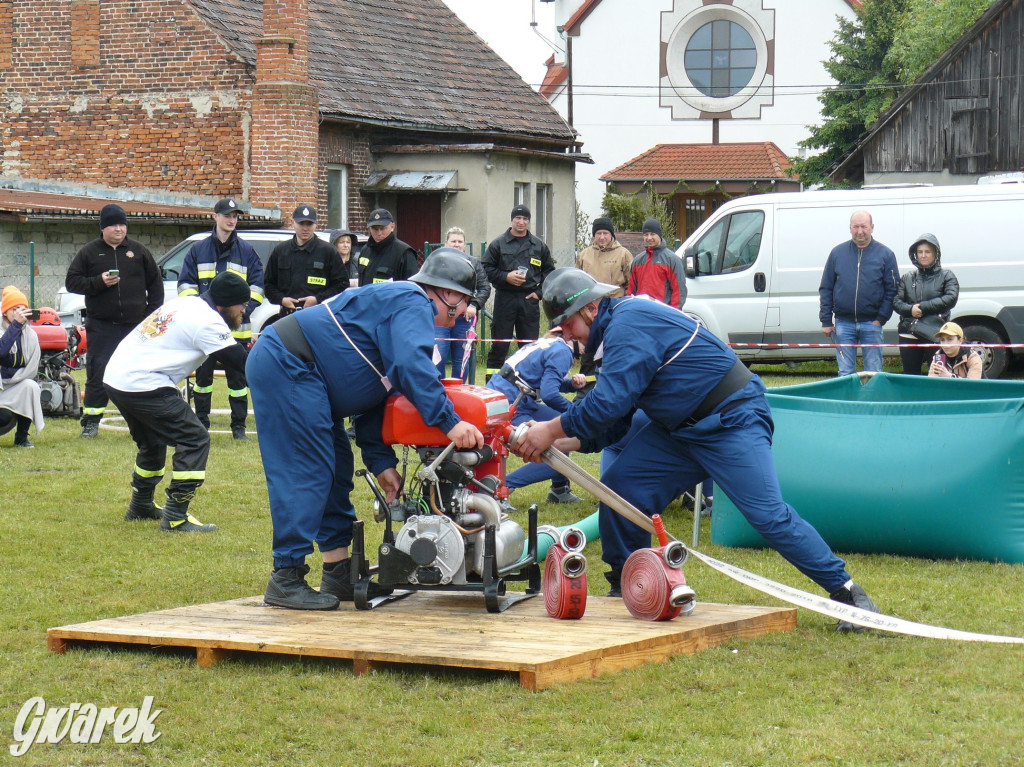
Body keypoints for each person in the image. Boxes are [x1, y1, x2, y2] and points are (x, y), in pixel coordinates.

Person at [511, 268, 881, 632]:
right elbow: (616, 420)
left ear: (589, 309)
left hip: (731, 418)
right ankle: (632, 585)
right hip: (679, 430)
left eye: (567, 324)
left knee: (768, 515)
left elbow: (607, 404)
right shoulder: (614, 334)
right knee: (620, 490)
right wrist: (558, 442)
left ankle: (849, 594)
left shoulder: (628, 322)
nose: (567, 335)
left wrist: (549, 429)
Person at [247, 248, 484, 610]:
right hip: (289, 364)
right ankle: (286, 576)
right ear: (449, 294)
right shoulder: (413, 301)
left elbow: (377, 390)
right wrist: (450, 422)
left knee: (336, 468)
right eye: (466, 299)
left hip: (306, 372)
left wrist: (380, 461)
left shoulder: (402, 304)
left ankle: (338, 572)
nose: (467, 308)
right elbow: (408, 367)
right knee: (308, 468)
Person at [103, 272, 252, 531]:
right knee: (195, 438)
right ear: (225, 304)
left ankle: (140, 505)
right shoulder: (208, 322)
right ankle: (175, 516)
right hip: (144, 383)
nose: (244, 311)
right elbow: (241, 363)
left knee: (152, 441)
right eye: (242, 305)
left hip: (117, 378)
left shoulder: (186, 302)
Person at [65, 203, 163, 437]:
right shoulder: (89, 252)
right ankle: (91, 421)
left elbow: (156, 286)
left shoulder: (139, 252)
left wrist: (147, 317)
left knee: (139, 372)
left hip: (135, 326)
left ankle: (141, 419)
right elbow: (72, 282)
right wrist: (98, 282)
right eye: (113, 225)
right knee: (98, 373)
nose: (119, 229)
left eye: (122, 224)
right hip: (101, 326)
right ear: (103, 228)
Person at [177, 198, 265, 439]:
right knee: (202, 380)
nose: (231, 219)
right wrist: (200, 310)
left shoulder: (247, 251)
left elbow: (258, 286)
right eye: (227, 215)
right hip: (204, 330)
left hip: (237, 329)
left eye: (235, 215)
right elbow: (185, 284)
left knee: (238, 381)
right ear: (214, 216)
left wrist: (246, 308)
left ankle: (239, 428)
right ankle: (201, 423)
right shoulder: (198, 250)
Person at [486, 330, 587, 505]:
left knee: (566, 430)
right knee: (557, 444)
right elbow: (549, 394)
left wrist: (571, 385)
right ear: (573, 337)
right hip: (510, 404)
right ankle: (501, 489)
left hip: (512, 397)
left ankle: (559, 489)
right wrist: (574, 413)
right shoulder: (563, 352)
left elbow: (543, 381)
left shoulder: (553, 344)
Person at [819, 211, 899, 376]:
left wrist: (880, 319)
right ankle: (847, 402)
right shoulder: (837, 254)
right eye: (856, 226)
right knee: (845, 373)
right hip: (843, 324)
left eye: (864, 226)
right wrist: (826, 320)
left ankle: (872, 402)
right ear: (850, 228)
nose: (860, 231)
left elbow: (892, 290)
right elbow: (826, 287)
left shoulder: (886, 255)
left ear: (872, 227)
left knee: (873, 373)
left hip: (872, 323)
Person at [482, 204, 556, 376]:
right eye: (518, 218)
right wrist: (505, 277)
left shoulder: (538, 246)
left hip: (528, 300)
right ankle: (492, 388)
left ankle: (528, 388)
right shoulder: (498, 244)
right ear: (512, 220)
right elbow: (485, 268)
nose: (521, 222)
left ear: (529, 222)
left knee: (529, 347)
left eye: (525, 219)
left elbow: (550, 272)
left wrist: (538, 294)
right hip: (505, 299)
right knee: (500, 345)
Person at [892, 233, 959, 375]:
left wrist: (923, 308)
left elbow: (951, 298)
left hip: (937, 335)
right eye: (920, 252)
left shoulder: (947, 275)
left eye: (927, 252)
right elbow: (896, 302)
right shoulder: (907, 277)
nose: (923, 255)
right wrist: (910, 310)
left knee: (938, 375)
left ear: (936, 254)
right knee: (910, 376)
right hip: (908, 334)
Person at [264, 204, 347, 319]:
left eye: (309, 224)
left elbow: (342, 284)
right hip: (287, 317)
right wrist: (282, 300)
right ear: (292, 223)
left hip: (319, 316)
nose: (305, 228)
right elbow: (268, 284)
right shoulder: (281, 251)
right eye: (301, 223)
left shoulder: (328, 251)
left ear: (316, 224)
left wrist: (318, 299)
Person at [434, 227, 490, 380]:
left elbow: (484, 287)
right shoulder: (436, 261)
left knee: (461, 361)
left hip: (464, 319)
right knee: (437, 359)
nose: (456, 244)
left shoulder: (474, 263)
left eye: (460, 241)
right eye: (453, 241)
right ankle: (439, 394)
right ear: (446, 243)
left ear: (464, 244)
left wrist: (474, 305)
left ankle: (459, 393)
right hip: (439, 320)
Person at [0, 286, 43, 448]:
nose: (19, 312)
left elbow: (30, 366)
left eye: (22, 309)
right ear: (5, 311)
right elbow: (1, 352)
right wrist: (15, 326)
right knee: (3, 417)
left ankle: (21, 438)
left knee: (31, 387)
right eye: (14, 309)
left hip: (15, 383)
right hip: (1, 385)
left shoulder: (30, 335)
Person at [626, 218, 687, 309]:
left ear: (659, 235)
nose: (649, 238)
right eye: (646, 235)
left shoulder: (672, 260)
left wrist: (673, 314)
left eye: (652, 234)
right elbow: (631, 290)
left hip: (662, 314)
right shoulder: (638, 261)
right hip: (640, 312)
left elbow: (679, 291)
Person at [357, 208, 419, 286]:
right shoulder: (365, 250)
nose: (379, 233)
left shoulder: (404, 253)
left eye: (382, 228)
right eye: (374, 229)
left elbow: (412, 288)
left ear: (392, 227)